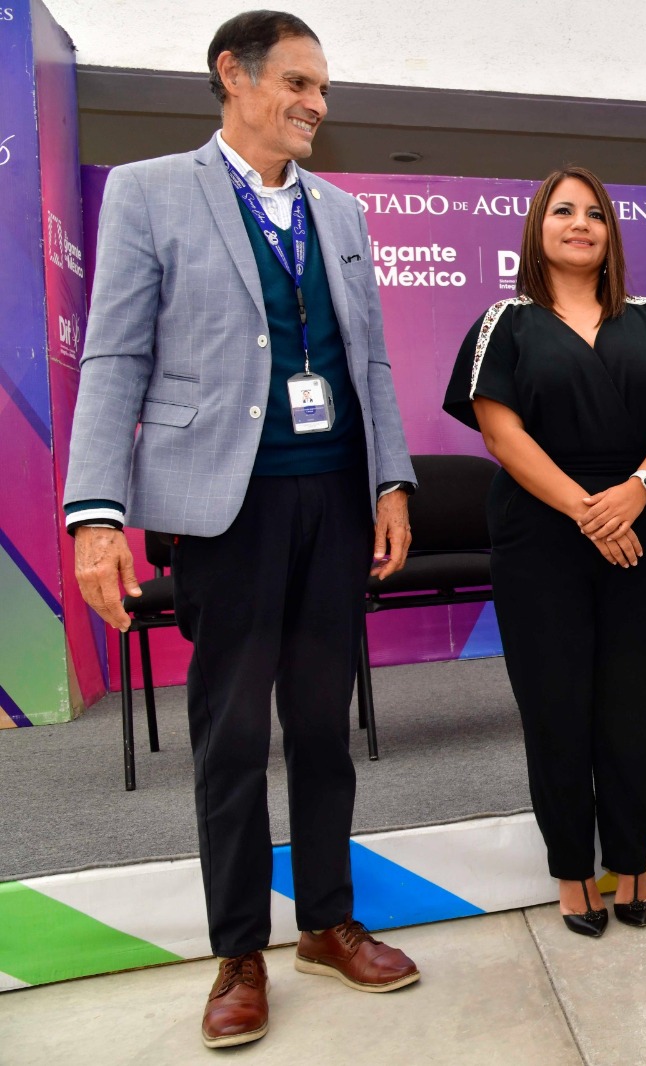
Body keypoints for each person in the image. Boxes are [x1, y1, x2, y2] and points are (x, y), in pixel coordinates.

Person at [62, 12, 419, 1048]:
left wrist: (391, 482)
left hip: (334, 500)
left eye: (324, 88)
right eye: (299, 82)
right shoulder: (149, 192)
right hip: (224, 508)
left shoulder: (341, 212)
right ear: (234, 75)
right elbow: (116, 358)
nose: (316, 103)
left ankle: (327, 923)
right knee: (230, 737)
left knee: (322, 727)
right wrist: (96, 513)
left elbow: (371, 360)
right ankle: (238, 952)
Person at [443, 168, 646, 938]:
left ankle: (631, 861)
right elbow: (501, 434)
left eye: (594, 213)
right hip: (540, 531)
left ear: (610, 234)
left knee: (630, 700)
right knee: (556, 705)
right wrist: (588, 510)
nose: (580, 223)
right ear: (538, 228)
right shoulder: (505, 322)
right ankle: (571, 872)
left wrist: (638, 492)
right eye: (563, 211)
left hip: (638, 521)